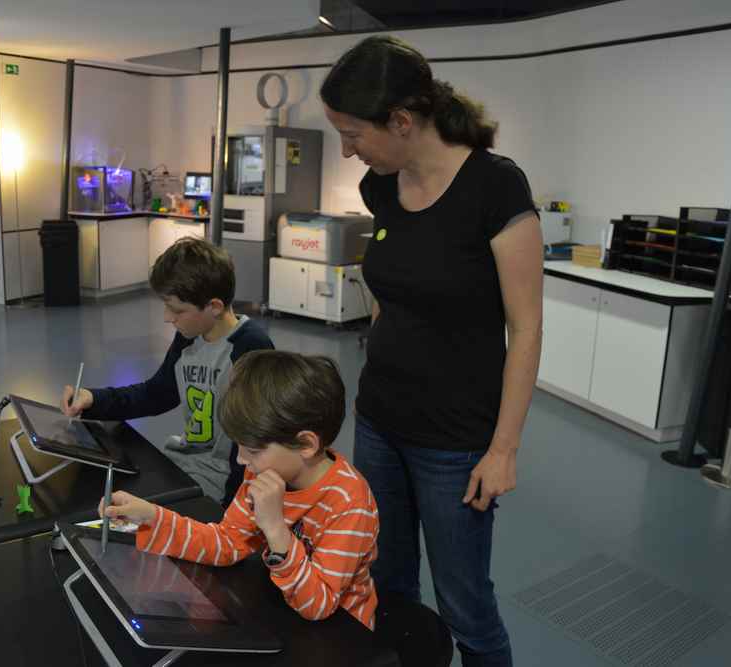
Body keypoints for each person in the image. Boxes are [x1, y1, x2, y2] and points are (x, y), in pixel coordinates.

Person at [320, 36, 544, 666]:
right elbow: (391, 294)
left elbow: (526, 328)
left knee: (465, 602)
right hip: (381, 424)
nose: (346, 149)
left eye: (352, 133)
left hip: (456, 442)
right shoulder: (380, 187)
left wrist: (502, 450)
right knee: (387, 584)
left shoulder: (495, 187)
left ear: (402, 120)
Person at [99, 351, 380, 629]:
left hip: (341, 630)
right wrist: (152, 517)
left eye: (253, 450)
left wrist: (276, 530)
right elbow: (226, 544)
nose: (240, 460)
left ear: (306, 444)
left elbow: (319, 605)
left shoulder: (349, 502)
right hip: (283, 605)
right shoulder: (263, 472)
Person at [60, 237, 274, 507]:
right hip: (182, 465)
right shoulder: (190, 336)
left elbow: (258, 444)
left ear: (215, 307)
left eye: (176, 310)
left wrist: (230, 514)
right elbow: (157, 394)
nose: (166, 317)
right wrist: (93, 399)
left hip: (218, 486)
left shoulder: (251, 348)